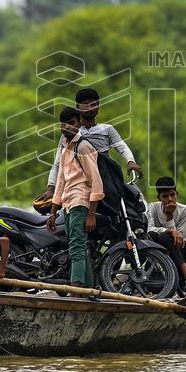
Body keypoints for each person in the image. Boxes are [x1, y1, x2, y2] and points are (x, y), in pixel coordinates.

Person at [39, 87, 141, 203]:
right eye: (85, 104)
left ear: (98, 106)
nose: (89, 108)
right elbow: (58, 163)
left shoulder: (107, 130)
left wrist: (130, 161)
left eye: (93, 105)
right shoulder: (69, 132)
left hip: (104, 181)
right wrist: (50, 188)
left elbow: (122, 147)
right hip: (77, 185)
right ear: (77, 107)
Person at [46, 105, 104, 291]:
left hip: (81, 203)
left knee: (77, 248)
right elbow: (61, 181)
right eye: (63, 124)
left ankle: (75, 290)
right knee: (77, 248)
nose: (67, 128)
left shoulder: (83, 146)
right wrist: (53, 212)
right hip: (69, 204)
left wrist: (91, 214)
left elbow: (96, 182)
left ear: (79, 124)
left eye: (71, 123)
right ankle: (87, 289)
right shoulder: (65, 148)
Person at [145, 176, 186, 293]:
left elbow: (179, 239)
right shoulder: (153, 207)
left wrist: (169, 217)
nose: (170, 199)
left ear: (177, 194)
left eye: (172, 195)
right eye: (165, 196)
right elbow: (149, 229)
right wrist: (169, 230)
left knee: (165, 236)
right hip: (159, 252)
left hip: (182, 250)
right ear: (158, 197)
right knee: (155, 236)